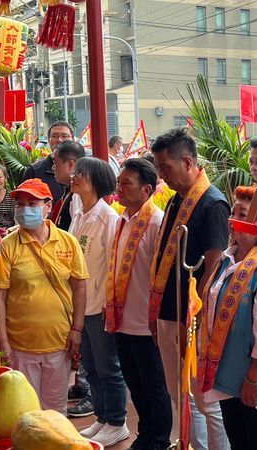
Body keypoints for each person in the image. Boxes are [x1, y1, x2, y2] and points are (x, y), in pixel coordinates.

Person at [150, 127, 231, 450]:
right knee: (179, 393)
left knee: (204, 399)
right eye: (158, 169)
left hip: (193, 317)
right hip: (169, 310)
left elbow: (214, 268)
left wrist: (198, 323)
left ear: (187, 162)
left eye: (165, 168)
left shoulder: (212, 204)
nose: (161, 176)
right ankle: (188, 443)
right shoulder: (174, 201)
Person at [198, 186, 257, 450]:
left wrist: (254, 375)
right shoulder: (228, 257)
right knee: (236, 437)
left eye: (242, 214)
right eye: (233, 212)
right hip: (225, 368)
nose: (231, 220)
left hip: (248, 373)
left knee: (256, 438)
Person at [0, 178, 88, 413]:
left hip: (59, 342)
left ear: (48, 206)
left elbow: (80, 288)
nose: (25, 209)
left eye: (32, 203)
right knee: (26, 411)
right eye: (21, 203)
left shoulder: (68, 242)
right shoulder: (7, 246)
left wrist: (77, 329)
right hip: (20, 345)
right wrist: (4, 342)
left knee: (55, 410)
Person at [106, 158, 172, 450]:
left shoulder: (157, 222)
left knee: (155, 386)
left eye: (126, 183)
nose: (119, 188)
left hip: (146, 324)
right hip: (123, 319)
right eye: (119, 182)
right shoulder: (122, 218)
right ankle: (145, 434)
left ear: (147, 189)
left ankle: (158, 439)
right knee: (136, 383)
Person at [66, 157, 129, 447]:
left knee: (108, 368)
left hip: (100, 306)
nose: (74, 176)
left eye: (81, 173)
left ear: (97, 181)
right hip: (82, 305)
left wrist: (109, 304)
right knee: (90, 367)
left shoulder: (108, 217)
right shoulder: (78, 211)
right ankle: (102, 417)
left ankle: (117, 421)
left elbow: (115, 266)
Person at [23, 121, 74, 204]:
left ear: (73, 140)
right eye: (54, 136)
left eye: (64, 136)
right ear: (49, 140)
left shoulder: (83, 170)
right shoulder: (34, 171)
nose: (59, 140)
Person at [52, 140, 86, 231]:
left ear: (70, 164)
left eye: (55, 162)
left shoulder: (79, 195)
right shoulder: (69, 190)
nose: (53, 168)